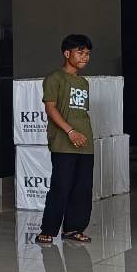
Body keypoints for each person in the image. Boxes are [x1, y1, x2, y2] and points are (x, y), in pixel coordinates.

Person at [36, 35, 94, 245]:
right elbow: (50, 108)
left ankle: (74, 229)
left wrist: (81, 134)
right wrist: (71, 132)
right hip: (63, 143)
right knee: (61, 186)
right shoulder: (55, 78)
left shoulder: (84, 82)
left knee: (82, 188)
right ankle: (48, 229)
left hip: (85, 144)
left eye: (87, 53)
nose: (85, 57)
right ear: (67, 53)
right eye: (80, 52)